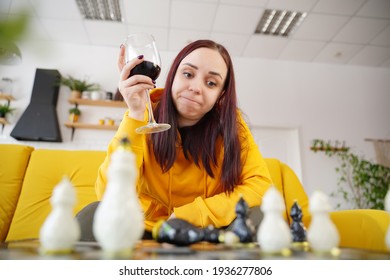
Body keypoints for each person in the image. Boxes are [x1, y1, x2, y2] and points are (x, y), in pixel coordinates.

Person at [93, 39, 273, 239]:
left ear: (220, 95)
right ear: (172, 76)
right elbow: (108, 194)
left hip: (208, 230)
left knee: (259, 216)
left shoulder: (232, 126)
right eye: (188, 74)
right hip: (144, 228)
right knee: (91, 214)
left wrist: (189, 215)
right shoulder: (145, 115)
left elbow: (260, 186)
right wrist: (136, 114)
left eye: (211, 83)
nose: (196, 87)